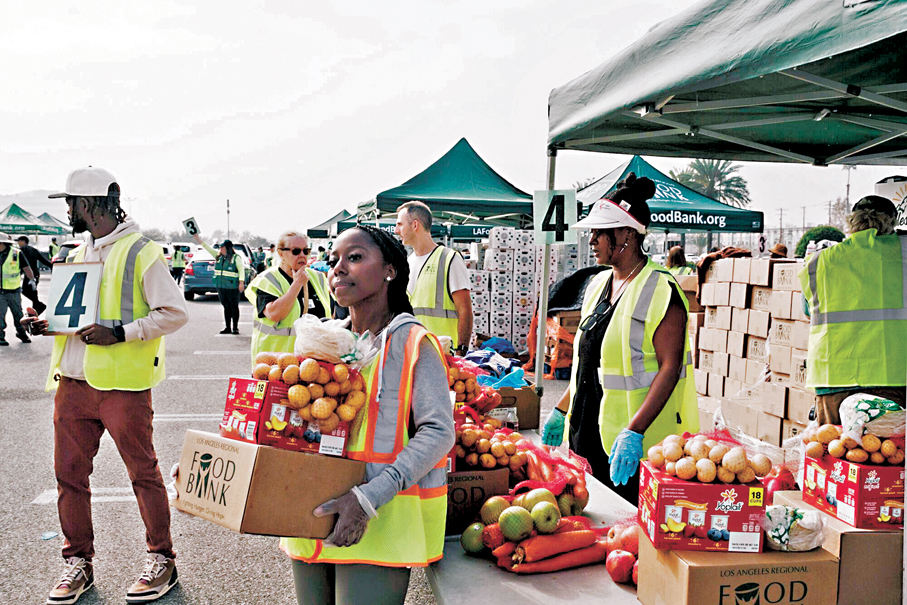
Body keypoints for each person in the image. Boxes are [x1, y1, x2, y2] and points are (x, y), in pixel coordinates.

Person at [22, 166, 187, 604]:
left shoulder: (141, 251)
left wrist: (121, 331)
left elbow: (174, 312)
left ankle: (162, 559)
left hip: (123, 385)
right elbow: (71, 317)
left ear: (92, 203)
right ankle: (78, 564)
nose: (68, 211)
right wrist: (46, 324)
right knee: (68, 477)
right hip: (73, 382)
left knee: (143, 474)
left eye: (71, 203)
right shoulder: (76, 252)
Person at [281, 225, 454, 604]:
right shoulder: (325, 344)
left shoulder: (414, 343)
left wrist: (367, 498)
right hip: (312, 513)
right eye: (333, 261)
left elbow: (439, 432)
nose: (338, 268)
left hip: (379, 519)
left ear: (390, 269)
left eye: (355, 257)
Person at [540, 173, 698, 505]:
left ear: (627, 234)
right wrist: (560, 409)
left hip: (632, 444)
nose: (593, 239)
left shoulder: (660, 289)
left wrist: (635, 431)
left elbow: (669, 368)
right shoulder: (598, 284)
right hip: (586, 432)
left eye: (600, 232)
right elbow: (589, 360)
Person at [799, 195, 906, 424]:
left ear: (852, 222)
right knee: (886, 453)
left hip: (833, 377)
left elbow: (807, 309)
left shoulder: (820, 262)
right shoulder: (903, 255)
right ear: (892, 222)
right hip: (893, 376)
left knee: (833, 451)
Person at [394, 201, 473, 355]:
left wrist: (461, 352)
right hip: (416, 355)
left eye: (400, 224)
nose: (396, 230)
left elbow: (465, 311)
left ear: (415, 225)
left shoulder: (449, 259)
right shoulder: (408, 262)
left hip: (444, 356)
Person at [245, 231, 332, 365]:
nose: (302, 255)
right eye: (296, 251)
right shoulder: (268, 280)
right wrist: (297, 284)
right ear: (281, 253)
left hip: (314, 364)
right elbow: (274, 313)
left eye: (306, 251)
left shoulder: (318, 278)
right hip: (276, 364)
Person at [193, 234, 245, 334]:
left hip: (232, 287)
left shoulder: (235, 258)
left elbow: (241, 270)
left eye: (222, 247)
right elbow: (207, 248)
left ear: (228, 248)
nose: (220, 249)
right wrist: (198, 239)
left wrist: (241, 283)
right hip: (221, 287)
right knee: (226, 306)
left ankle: (235, 327)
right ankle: (227, 327)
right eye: (220, 247)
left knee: (234, 306)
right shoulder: (218, 256)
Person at [0, 232, 35, 346]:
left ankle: (22, 333)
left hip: (13, 290)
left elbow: (26, 267)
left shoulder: (16, 253)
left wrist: (32, 279)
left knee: (18, 314)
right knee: (0, 315)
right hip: (0, 291)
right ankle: (0, 337)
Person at [16, 235, 53, 314]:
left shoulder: (21, 251)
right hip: (35, 274)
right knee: (32, 291)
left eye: (19, 241)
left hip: (29, 274)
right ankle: (36, 307)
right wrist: (52, 266)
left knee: (26, 291)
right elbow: (43, 260)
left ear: (23, 241)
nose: (18, 243)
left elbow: (23, 264)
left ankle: (38, 305)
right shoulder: (33, 250)